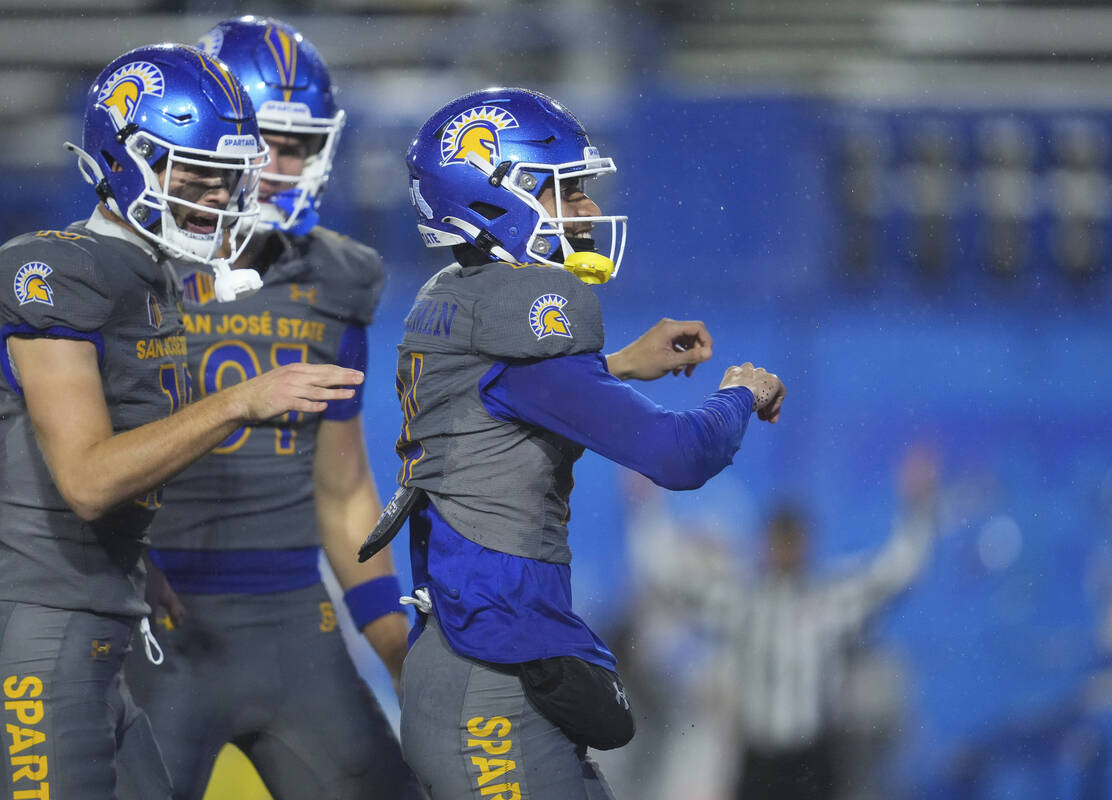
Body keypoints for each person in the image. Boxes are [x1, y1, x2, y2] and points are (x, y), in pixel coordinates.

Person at [0, 42, 363, 799]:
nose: (218, 197)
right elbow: (85, 478)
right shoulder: (50, 268)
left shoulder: (150, 280)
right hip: (41, 647)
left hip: (98, 643)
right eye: (197, 173)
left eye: (225, 177)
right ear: (125, 155)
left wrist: (139, 562)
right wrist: (241, 398)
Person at [382, 86, 786, 800]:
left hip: (484, 662)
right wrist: (740, 393)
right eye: (568, 193)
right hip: (488, 686)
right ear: (492, 200)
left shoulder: (458, 295)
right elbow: (677, 454)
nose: (591, 212)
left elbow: (504, 397)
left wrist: (621, 363)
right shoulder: (522, 310)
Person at [120, 16, 421, 800]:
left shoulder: (337, 279)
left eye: (304, 145)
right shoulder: (125, 267)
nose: (287, 167)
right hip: (160, 624)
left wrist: (396, 646)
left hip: (295, 623)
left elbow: (344, 488)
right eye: (270, 142)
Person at [636, 449, 940, 800]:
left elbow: (893, 576)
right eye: (779, 541)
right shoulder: (743, 603)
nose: (785, 550)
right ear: (765, 544)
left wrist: (917, 508)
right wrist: (646, 508)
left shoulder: (830, 601)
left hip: (813, 759)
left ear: (806, 544)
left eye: (792, 541)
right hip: (757, 759)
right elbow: (672, 578)